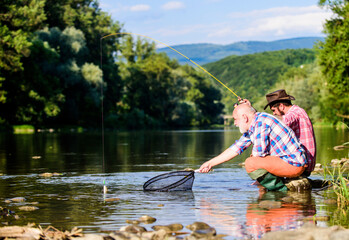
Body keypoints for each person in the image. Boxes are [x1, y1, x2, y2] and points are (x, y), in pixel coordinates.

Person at [198, 103, 307, 191]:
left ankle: (281, 190)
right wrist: (210, 163)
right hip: (289, 162)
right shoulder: (255, 124)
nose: (235, 123)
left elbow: (259, 154)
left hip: (293, 164)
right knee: (253, 161)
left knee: (251, 162)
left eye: (235, 119)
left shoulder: (261, 123)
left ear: (244, 117)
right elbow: (235, 148)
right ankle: (265, 187)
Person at [263, 89, 316, 177]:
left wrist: (254, 115)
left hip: (301, 165)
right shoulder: (299, 111)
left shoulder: (295, 113)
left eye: (273, 110)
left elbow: (284, 121)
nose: (274, 113)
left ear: (281, 106)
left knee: (257, 161)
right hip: (303, 163)